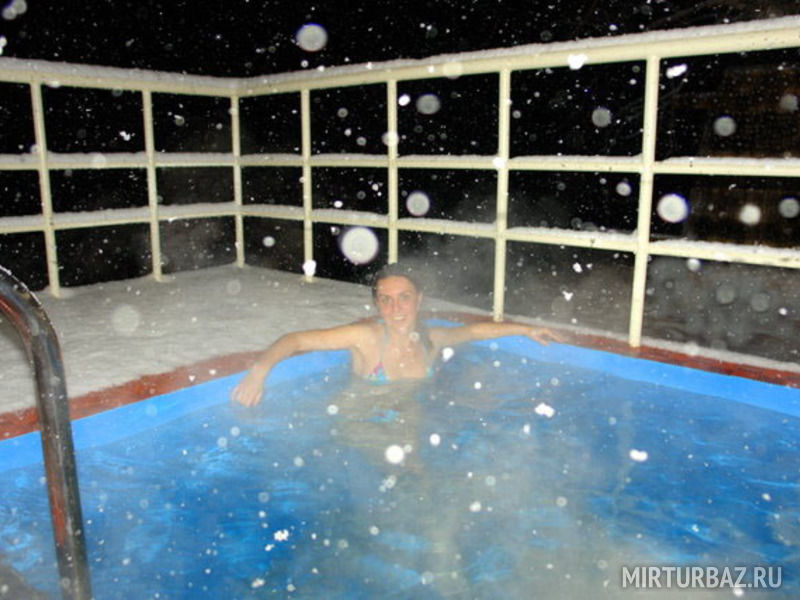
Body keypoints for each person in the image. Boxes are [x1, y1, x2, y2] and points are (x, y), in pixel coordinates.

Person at [231, 263, 562, 406]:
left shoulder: (432, 339)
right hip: (361, 423)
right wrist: (259, 371)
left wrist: (526, 328)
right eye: (385, 300)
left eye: (404, 297)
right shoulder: (364, 337)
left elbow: (474, 331)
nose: (395, 308)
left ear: (419, 300)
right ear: (377, 304)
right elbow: (295, 340)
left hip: (409, 423)